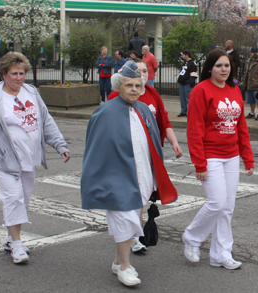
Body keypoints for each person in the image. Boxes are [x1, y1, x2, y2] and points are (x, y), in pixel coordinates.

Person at [0, 52, 70, 264]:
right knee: (13, 198)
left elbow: (46, 121)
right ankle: (17, 244)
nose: (19, 78)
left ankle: (10, 238)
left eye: (22, 73)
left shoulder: (31, 93)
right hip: (4, 160)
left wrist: (60, 145)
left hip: (28, 158)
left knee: (22, 200)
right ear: (4, 74)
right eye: (14, 73)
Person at [81, 60, 177, 286]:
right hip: (116, 178)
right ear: (118, 86)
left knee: (131, 217)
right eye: (128, 85)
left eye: (137, 85)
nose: (134, 89)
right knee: (124, 219)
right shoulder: (104, 112)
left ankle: (117, 261)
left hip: (141, 177)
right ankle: (125, 267)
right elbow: (94, 149)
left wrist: (155, 178)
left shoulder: (144, 109)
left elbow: (153, 144)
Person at [183, 49, 255, 270]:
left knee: (228, 207)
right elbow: (194, 130)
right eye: (219, 66)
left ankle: (221, 254)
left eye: (227, 65)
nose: (224, 69)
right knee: (217, 203)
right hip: (210, 155)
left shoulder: (234, 90)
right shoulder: (200, 91)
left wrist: (248, 158)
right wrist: (199, 163)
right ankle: (192, 238)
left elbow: (241, 126)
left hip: (231, 155)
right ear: (210, 68)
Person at [108, 58, 183, 252]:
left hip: (149, 155)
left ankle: (134, 234)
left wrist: (174, 143)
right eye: (137, 71)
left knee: (141, 196)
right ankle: (130, 239)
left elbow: (164, 121)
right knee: (130, 197)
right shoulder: (116, 98)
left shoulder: (152, 94)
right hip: (126, 157)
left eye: (144, 71)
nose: (141, 74)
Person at [243, 47, 258, 120]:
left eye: (256, 52)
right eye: (253, 52)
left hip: (257, 84)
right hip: (249, 83)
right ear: (251, 53)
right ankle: (252, 113)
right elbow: (245, 72)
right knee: (251, 100)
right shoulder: (248, 61)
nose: (255, 53)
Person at [177, 50, 198, 117]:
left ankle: (190, 111)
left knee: (188, 98)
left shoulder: (192, 63)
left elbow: (194, 73)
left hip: (187, 83)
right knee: (182, 97)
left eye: (183, 54)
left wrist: (189, 81)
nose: (182, 56)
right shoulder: (184, 63)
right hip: (182, 82)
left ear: (187, 55)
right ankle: (183, 111)